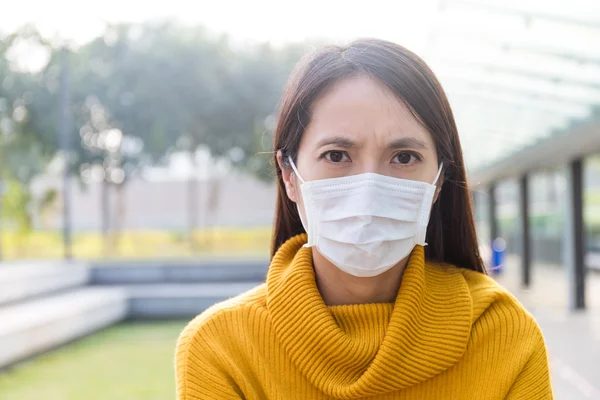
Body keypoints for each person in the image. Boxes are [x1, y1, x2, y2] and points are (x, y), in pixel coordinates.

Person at [175, 38, 552, 399]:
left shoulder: (504, 334)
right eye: (337, 155)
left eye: (404, 157)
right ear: (289, 176)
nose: (369, 188)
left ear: (438, 182)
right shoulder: (221, 348)